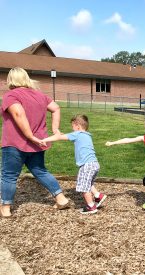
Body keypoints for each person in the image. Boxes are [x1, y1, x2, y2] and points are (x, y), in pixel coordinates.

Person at [0, 67, 70, 217]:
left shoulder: (11, 95)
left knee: (9, 175)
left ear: (11, 80)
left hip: (15, 144)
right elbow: (56, 108)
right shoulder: (40, 95)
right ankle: (61, 198)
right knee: (40, 171)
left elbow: (18, 113)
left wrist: (30, 136)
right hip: (38, 143)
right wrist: (55, 129)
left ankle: (5, 208)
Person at [41, 115, 106, 214]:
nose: (72, 129)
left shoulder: (77, 134)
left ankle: (91, 206)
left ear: (78, 126)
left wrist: (44, 140)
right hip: (94, 164)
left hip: (86, 165)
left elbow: (59, 137)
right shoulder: (87, 135)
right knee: (88, 183)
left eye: (73, 126)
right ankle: (98, 195)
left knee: (84, 187)